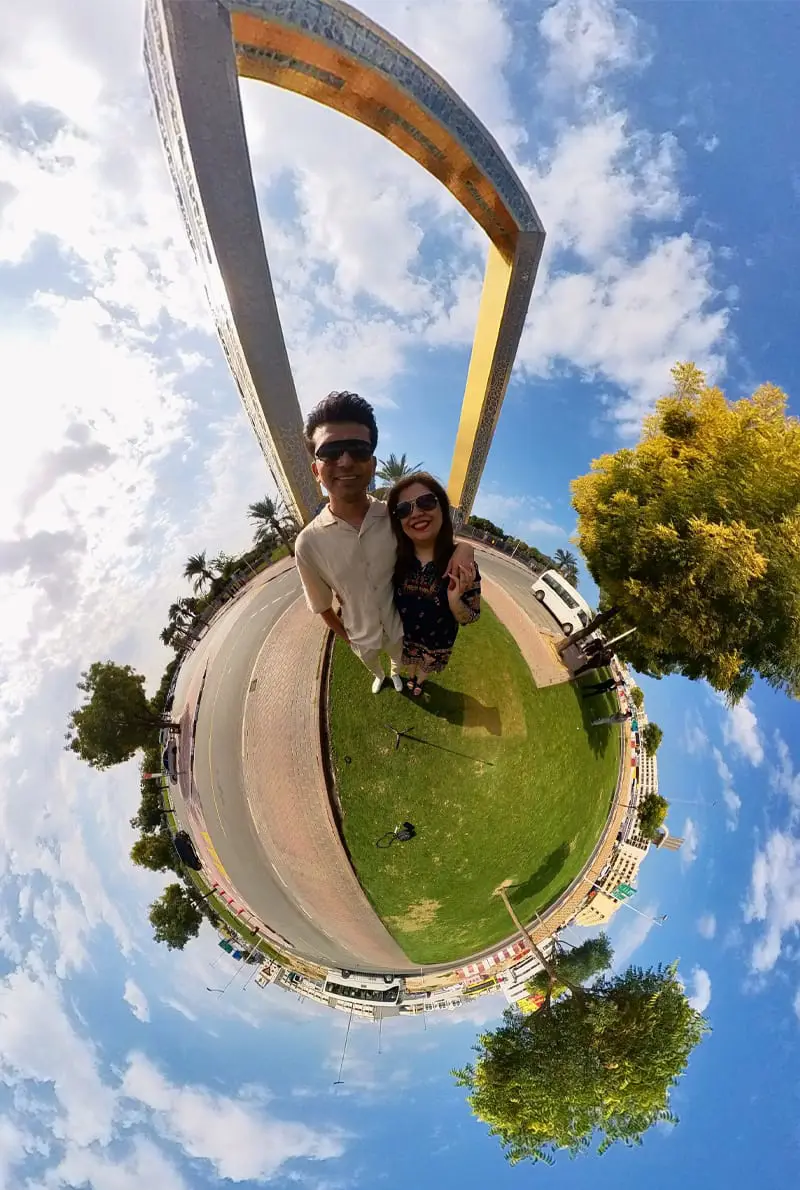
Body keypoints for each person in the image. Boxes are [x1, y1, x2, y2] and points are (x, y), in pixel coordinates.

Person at [294, 392, 476, 694]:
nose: (346, 461)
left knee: (397, 660)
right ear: (316, 470)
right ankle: (378, 675)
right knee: (371, 663)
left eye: (358, 449)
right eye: (330, 452)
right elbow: (322, 606)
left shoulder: (395, 517)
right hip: (359, 635)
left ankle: (394, 674)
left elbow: (433, 542)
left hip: (399, 626)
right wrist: (349, 638)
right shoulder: (308, 544)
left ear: (373, 463)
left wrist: (465, 548)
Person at [387, 472, 481, 697]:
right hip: (406, 635)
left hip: (438, 640)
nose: (416, 513)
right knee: (411, 661)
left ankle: (419, 682)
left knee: (426, 666)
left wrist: (454, 601)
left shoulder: (462, 566)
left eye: (426, 502)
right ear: (398, 521)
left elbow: (471, 616)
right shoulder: (392, 557)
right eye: (404, 509)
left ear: (442, 508)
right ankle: (411, 677)